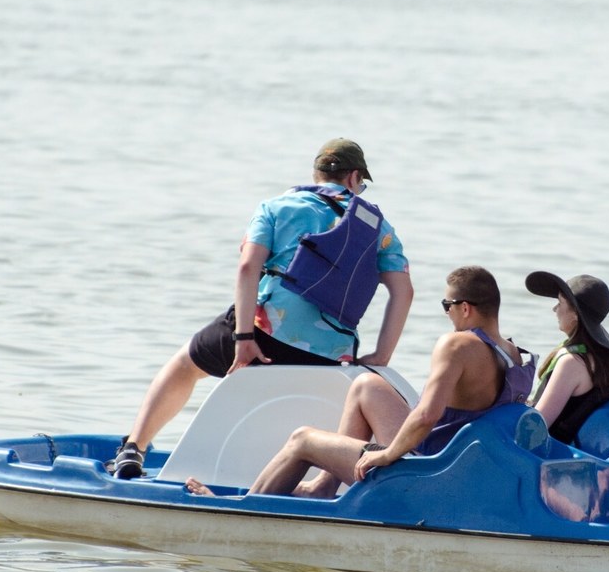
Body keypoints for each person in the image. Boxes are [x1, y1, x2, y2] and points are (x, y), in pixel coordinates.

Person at [111, 139, 414, 479]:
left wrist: (243, 338)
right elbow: (403, 292)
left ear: (316, 174)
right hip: (329, 356)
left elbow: (247, 268)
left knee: (185, 364)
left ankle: (133, 448)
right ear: (354, 178)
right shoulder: (380, 229)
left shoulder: (277, 207)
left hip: (263, 340)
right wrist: (381, 355)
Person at [185, 266, 536, 498]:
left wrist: (387, 456)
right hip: (460, 468)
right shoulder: (518, 356)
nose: (446, 314)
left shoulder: (457, 345)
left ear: (465, 308)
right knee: (366, 386)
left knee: (302, 440)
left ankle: (245, 511)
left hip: (427, 474)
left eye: (446, 305)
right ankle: (323, 487)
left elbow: (427, 415)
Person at [524, 271, 609, 445]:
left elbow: (537, 427)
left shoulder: (572, 363)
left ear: (576, 315)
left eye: (560, 302)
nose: (554, 309)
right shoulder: (605, 358)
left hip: (550, 456)